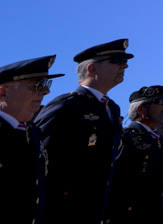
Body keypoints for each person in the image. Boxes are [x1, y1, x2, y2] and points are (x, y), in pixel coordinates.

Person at [35, 38, 133, 223]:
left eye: (125, 62)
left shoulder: (111, 108)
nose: (124, 67)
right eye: (117, 61)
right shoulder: (67, 104)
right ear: (92, 69)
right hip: (63, 210)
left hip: (96, 209)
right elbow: (39, 154)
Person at [0, 55, 61, 224]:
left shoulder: (32, 132)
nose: (46, 91)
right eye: (37, 85)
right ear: (2, 92)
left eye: (46, 84)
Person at [104, 84, 163, 224]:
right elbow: (111, 179)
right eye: (160, 102)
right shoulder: (126, 137)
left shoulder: (158, 140)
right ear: (141, 110)